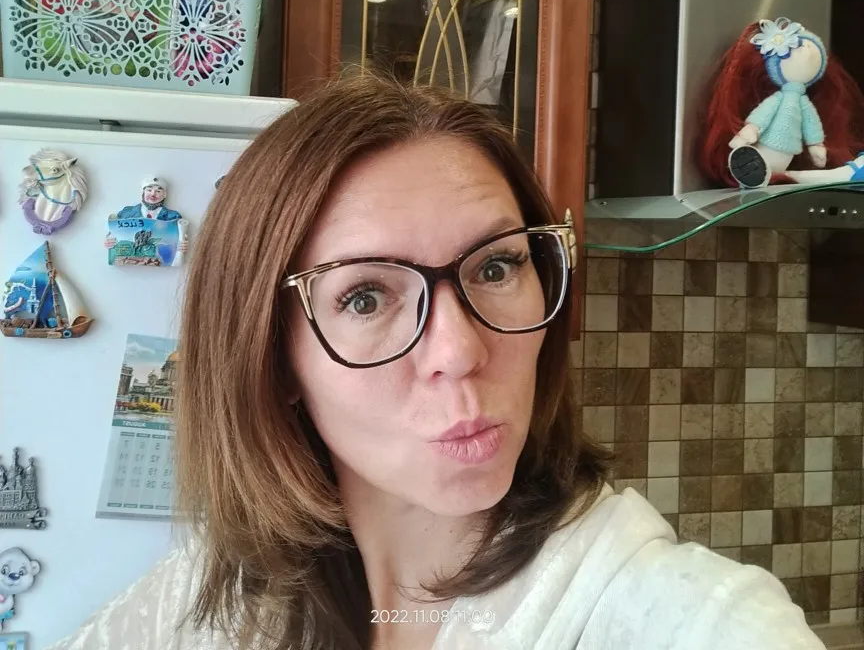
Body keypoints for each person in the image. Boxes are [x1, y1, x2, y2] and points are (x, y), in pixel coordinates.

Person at [48, 75, 825, 650]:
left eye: (496, 267)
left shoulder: (675, 615)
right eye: (365, 298)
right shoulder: (219, 606)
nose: (458, 351)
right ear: (273, 361)